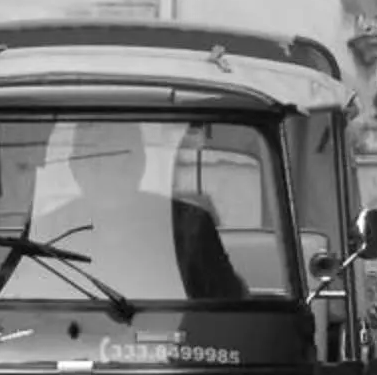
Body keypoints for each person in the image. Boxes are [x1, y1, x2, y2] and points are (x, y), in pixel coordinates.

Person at [15, 121, 246, 302]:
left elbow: (229, 313)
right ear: (74, 167)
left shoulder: (191, 227)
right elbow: (9, 307)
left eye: (121, 160)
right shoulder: (44, 230)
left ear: (141, 164)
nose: (109, 174)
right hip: (66, 342)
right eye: (95, 161)